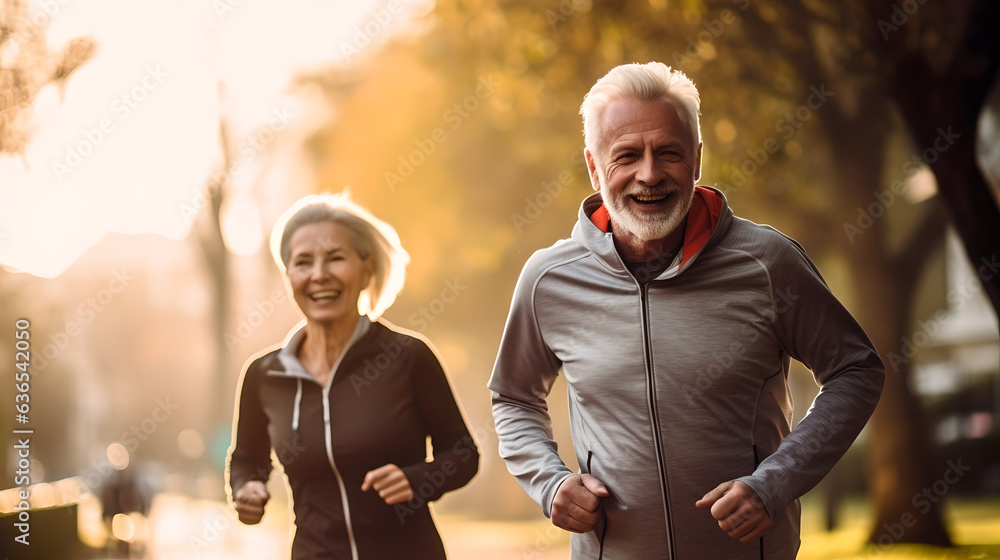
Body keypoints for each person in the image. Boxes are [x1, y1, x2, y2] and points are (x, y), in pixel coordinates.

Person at [488, 62, 884, 558]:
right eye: (627, 155)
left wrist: (776, 482)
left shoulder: (767, 263)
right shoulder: (549, 279)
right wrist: (549, 483)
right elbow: (513, 396)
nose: (649, 175)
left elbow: (856, 369)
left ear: (697, 160)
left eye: (668, 153)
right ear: (594, 166)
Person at [227, 193, 479, 560]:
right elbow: (248, 457)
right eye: (303, 262)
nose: (318, 275)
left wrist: (417, 480)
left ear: (367, 269)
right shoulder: (265, 374)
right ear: (289, 277)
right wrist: (247, 488)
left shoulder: (408, 356)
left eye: (335, 258)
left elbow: (462, 453)